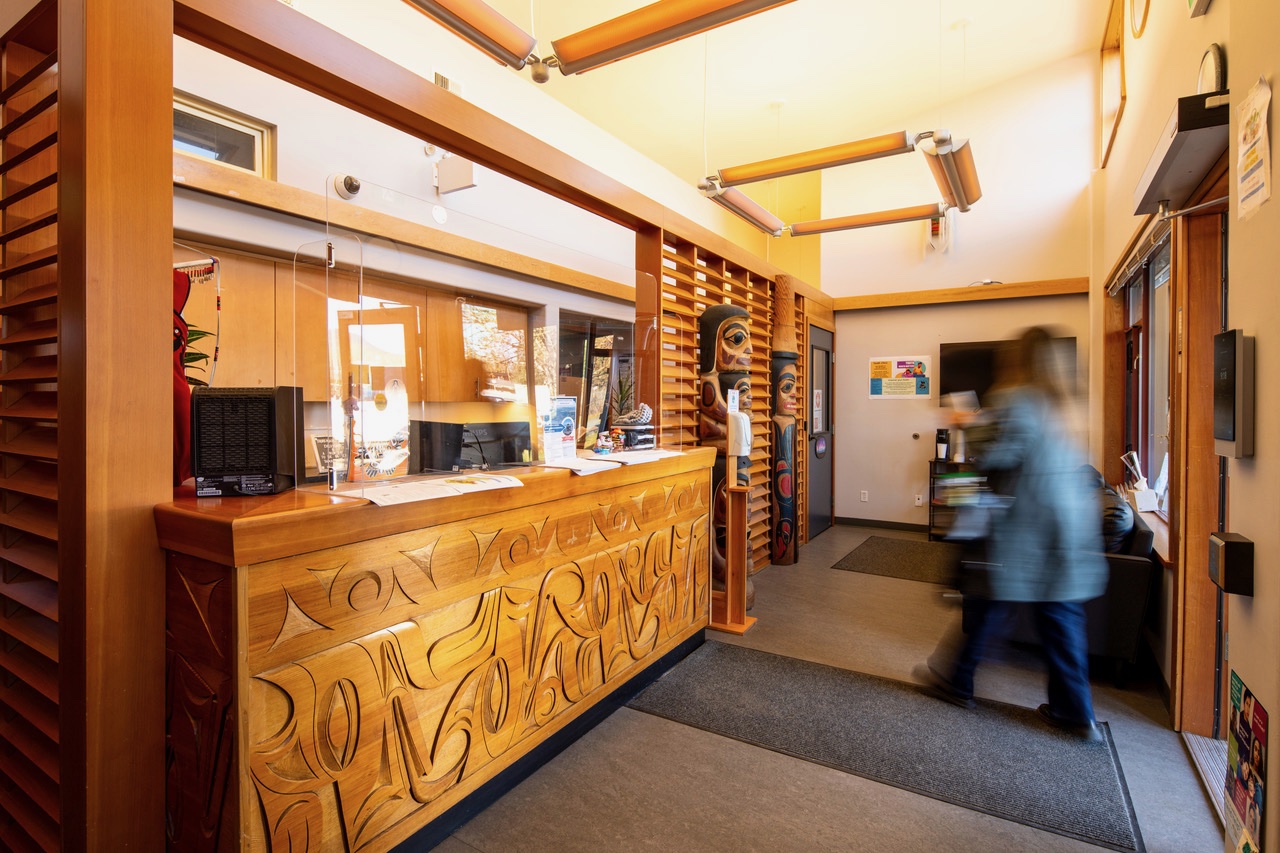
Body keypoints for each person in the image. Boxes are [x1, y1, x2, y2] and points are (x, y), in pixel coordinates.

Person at [916, 326, 1108, 741]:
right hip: (1069, 527)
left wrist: (965, 420)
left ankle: (956, 680)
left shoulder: (1017, 397)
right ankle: (1075, 712)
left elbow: (996, 452)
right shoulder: (1066, 404)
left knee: (988, 601)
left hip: (1027, 528)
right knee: (1059, 619)